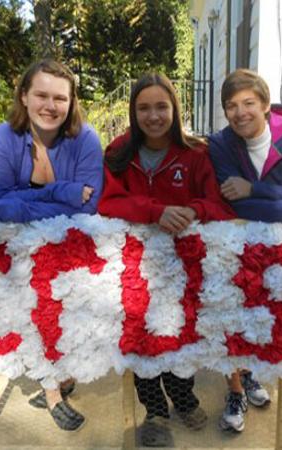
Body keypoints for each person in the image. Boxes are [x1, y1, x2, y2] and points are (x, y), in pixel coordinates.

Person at [98, 73, 235, 446]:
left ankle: (184, 397)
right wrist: (153, 210)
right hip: (135, 271)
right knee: (142, 340)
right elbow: (106, 201)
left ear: (175, 109)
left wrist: (193, 209)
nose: (153, 115)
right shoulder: (118, 152)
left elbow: (219, 204)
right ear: (133, 111)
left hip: (183, 270)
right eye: (144, 107)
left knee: (179, 338)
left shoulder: (195, 152)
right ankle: (155, 411)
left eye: (161, 106)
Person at [208, 68, 282, 432]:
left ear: (265, 106)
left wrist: (256, 190)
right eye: (231, 106)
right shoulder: (220, 144)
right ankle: (235, 387)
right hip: (235, 246)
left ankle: (252, 373)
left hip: (281, 252)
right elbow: (234, 204)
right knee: (230, 316)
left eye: (248, 103)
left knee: (267, 318)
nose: (240, 112)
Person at [0, 59, 103, 431]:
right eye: (41, 95)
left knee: (73, 319)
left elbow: (90, 205)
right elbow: (0, 204)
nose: (50, 105)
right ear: (24, 96)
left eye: (60, 98)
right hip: (19, 255)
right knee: (36, 317)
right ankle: (52, 392)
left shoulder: (85, 138)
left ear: (71, 102)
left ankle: (62, 378)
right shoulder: (4, 137)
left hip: (71, 251)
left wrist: (33, 200)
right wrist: (62, 191)